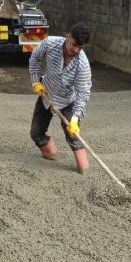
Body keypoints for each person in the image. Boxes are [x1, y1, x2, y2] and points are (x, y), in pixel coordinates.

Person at [29, 22, 92, 174]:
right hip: (47, 93)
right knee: (36, 133)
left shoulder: (82, 65)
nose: (76, 50)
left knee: (74, 137)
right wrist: (36, 81)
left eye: (81, 47)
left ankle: (84, 170)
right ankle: (51, 154)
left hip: (69, 100)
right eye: (74, 45)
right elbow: (35, 58)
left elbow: (83, 93)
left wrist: (75, 119)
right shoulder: (50, 43)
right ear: (67, 36)